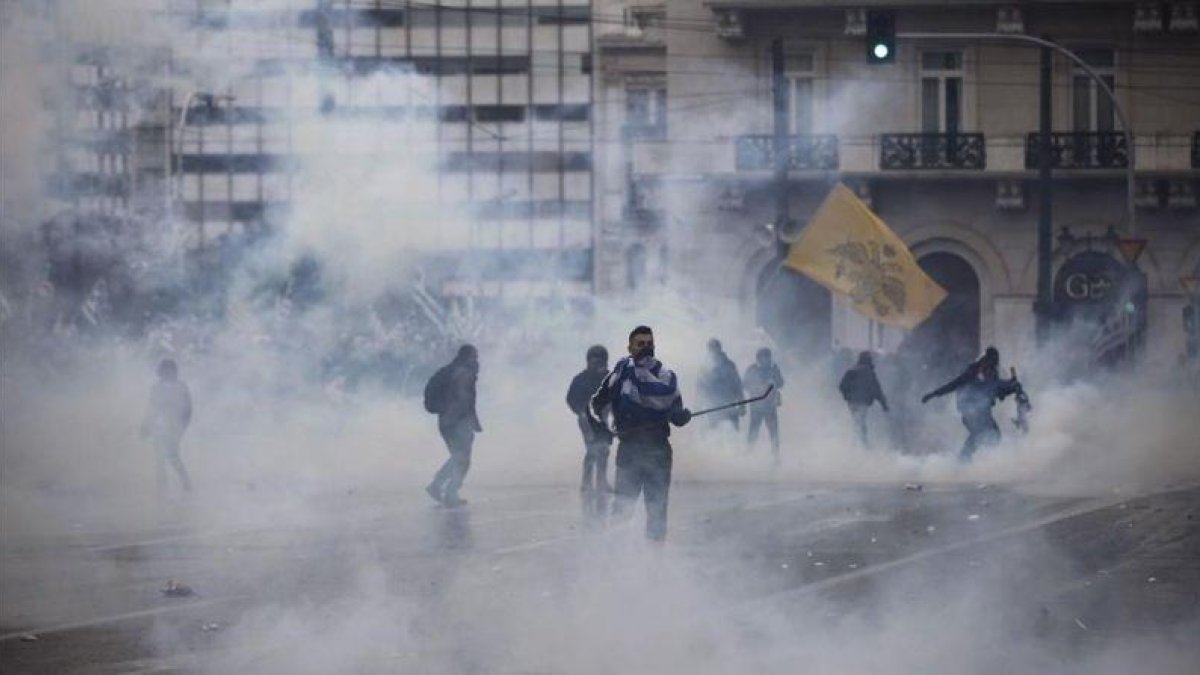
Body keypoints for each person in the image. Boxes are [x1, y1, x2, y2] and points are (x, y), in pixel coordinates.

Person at [589, 325, 692, 541]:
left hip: (659, 453)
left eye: (649, 343)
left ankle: (655, 562)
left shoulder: (666, 378)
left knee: (657, 513)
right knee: (621, 512)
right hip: (629, 452)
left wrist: (681, 416)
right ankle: (614, 560)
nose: (646, 348)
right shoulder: (619, 375)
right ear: (630, 347)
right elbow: (597, 403)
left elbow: (676, 411)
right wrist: (604, 426)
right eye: (640, 344)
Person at [921, 346, 1021, 460]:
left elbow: (999, 392)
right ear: (986, 359)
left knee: (994, 436)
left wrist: (1012, 386)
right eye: (991, 361)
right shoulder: (973, 370)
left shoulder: (993, 373)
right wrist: (934, 394)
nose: (993, 365)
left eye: (995, 362)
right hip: (970, 411)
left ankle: (985, 463)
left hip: (984, 413)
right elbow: (954, 383)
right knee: (978, 434)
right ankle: (962, 460)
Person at [425, 344, 482, 507]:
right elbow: (465, 400)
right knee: (462, 459)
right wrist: (470, 422)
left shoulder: (449, 370)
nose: (477, 360)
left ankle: (437, 486)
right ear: (468, 356)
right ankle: (449, 492)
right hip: (456, 421)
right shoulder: (463, 373)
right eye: (475, 356)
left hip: (447, 421)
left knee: (459, 457)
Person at [141, 358, 193, 495]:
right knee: (159, 458)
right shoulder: (156, 388)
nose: (166, 373)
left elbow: (188, 410)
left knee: (172, 455)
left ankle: (186, 483)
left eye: (169, 370)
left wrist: (181, 428)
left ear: (174, 371)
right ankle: (162, 488)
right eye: (164, 370)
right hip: (160, 427)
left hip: (175, 427)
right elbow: (151, 408)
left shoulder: (181, 387)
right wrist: (146, 426)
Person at [566, 345, 613, 493]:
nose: (596, 364)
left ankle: (601, 482)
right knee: (592, 449)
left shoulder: (610, 378)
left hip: (604, 418)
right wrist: (580, 412)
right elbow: (571, 399)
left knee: (604, 450)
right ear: (588, 361)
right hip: (586, 420)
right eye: (593, 361)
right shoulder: (581, 379)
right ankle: (586, 483)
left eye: (599, 361)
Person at [838, 351, 890, 446]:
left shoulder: (851, 371)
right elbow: (877, 390)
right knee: (860, 422)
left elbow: (842, 386)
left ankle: (856, 443)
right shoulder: (869, 373)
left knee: (857, 421)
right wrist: (884, 405)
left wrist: (847, 397)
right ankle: (862, 444)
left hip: (852, 402)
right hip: (863, 402)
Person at [743, 348, 785, 462]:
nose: (766, 359)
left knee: (774, 433)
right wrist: (756, 387)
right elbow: (745, 384)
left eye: (768, 357)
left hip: (770, 406)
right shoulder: (752, 369)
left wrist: (774, 380)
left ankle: (776, 457)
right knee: (753, 431)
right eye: (764, 357)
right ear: (759, 358)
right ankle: (749, 455)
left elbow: (781, 383)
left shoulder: (774, 369)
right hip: (756, 406)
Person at [697, 338, 744, 430]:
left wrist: (742, 405)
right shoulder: (704, 367)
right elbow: (700, 388)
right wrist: (698, 406)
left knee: (733, 433)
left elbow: (737, 385)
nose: (713, 351)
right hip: (713, 406)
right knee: (715, 434)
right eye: (711, 348)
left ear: (720, 349)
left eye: (715, 348)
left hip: (730, 404)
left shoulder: (730, 365)